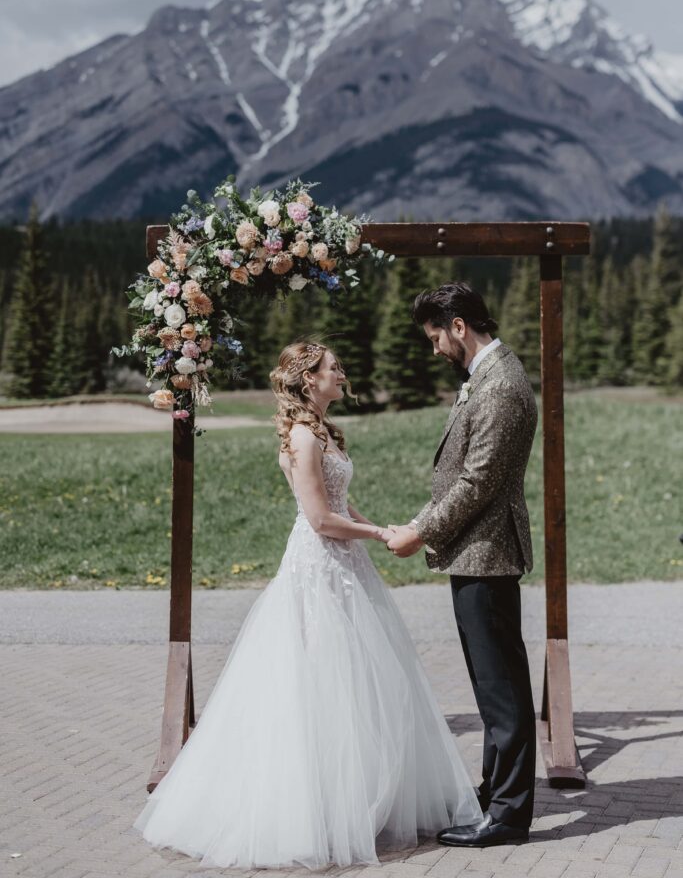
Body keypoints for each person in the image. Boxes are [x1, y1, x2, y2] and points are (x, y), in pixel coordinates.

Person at [134, 340, 481, 869]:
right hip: (319, 566)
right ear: (307, 380)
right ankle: (313, 813)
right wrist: (376, 532)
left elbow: (339, 502)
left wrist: (379, 528)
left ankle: (356, 803)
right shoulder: (301, 435)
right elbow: (320, 519)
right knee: (318, 681)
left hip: (346, 566)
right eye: (332, 369)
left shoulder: (323, 431)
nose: (341, 374)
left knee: (358, 682)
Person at [387, 283, 538, 848]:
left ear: (457, 326)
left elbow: (478, 481)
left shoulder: (499, 385)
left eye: (435, 338)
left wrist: (420, 530)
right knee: (492, 684)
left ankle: (509, 816)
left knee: (501, 690)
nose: (434, 350)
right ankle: (493, 796)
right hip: (478, 551)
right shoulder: (487, 378)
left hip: (488, 553)